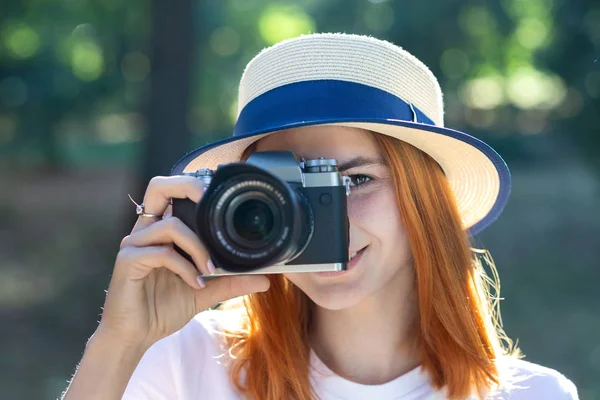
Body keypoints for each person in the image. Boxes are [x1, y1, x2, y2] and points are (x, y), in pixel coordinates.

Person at [61, 33, 579, 400]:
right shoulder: (185, 361)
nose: (321, 220)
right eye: (286, 189)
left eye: (353, 181)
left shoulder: (536, 395)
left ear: (425, 200)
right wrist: (121, 340)